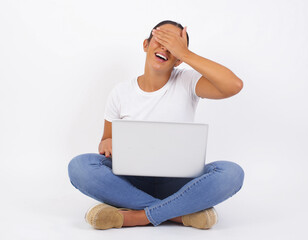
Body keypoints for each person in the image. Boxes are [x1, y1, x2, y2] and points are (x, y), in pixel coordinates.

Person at [68, 20, 245, 230]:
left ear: (178, 58)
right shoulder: (120, 92)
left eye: (173, 45)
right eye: (162, 40)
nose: (165, 48)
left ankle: (137, 216)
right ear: (146, 44)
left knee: (232, 173)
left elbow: (234, 85)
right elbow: (106, 140)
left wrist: (186, 54)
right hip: (132, 182)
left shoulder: (188, 81)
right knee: (79, 166)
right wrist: (107, 144)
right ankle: (178, 214)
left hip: (180, 183)